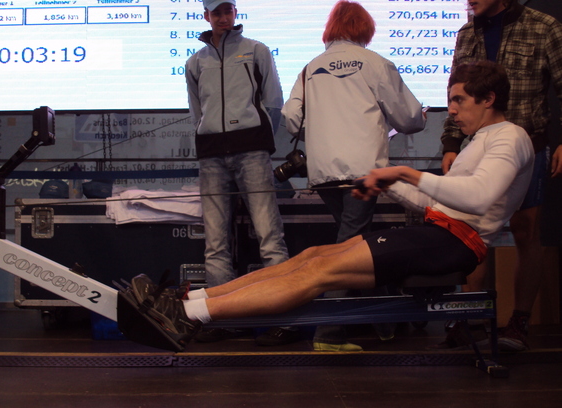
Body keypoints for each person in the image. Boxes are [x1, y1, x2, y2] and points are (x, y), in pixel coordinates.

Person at [130, 61, 535, 351]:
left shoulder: (510, 137)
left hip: (454, 244)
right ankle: (188, 300)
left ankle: (189, 317)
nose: (453, 110)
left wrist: (406, 173)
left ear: (489, 99)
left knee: (318, 272)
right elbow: (437, 199)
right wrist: (388, 184)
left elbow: (480, 197)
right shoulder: (481, 140)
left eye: (459, 100)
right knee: (312, 256)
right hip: (437, 232)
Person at [281, 0, 426, 351]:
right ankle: (328, 333)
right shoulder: (375, 63)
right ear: (365, 29)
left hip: (323, 172)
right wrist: (420, 116)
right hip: (363, 172)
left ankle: (386, 320)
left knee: (359, 242)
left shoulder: (310, 68)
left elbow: (291, 118)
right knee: (348, 251)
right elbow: (408, 119)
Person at [439, 0, 562, 351]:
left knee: (526, 232)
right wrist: (451, 142)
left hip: (527, 146)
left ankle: (519, 322)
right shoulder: (467, 33)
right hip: (478, 146)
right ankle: (469, 318)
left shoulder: (543, 27)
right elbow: (457, 93)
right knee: (469, 229)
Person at [184, 0, 297, 345]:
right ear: (206, 16)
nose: (222, 18)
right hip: (211, 156)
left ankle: (284, 319)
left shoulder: (257, 51)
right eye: (216, 12)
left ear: (235, 13)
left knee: (269, 236)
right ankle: (225, 319)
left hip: (251, 152)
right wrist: (207, 135)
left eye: (228, 11)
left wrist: (259, 139)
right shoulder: (194, 62)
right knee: (215, 242)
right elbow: (196, 112)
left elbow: (273, 102)